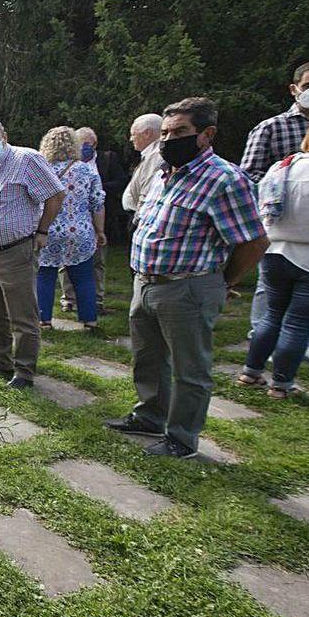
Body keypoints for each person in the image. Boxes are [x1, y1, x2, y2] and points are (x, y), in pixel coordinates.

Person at [105, 97, 269, 459]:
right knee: (148, 357)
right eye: (164, 132)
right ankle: (149, 416)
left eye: (180, 132)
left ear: (206, 135)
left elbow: (254, 241)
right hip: (146, 283)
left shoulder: (225, 179)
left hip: (188, 286)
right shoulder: (165, 173)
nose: (168, 139)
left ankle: (182, 438)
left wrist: (222, 282)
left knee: (190, 367)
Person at [0, 119, 66, 390]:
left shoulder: (26, 159)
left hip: (15, 250)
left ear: (4, 137)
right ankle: (1, 362)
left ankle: (24, 371)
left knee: (22, 315)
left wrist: (42, 231)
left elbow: (55, 195)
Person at [237, 122, 309, 399]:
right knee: (297, 322)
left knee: (272, 314)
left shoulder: (284, 165)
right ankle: (281, 384)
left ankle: (250, 371)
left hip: (273, 251)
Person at [244, 61, 309, 357]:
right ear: (294, 89)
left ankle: (262, 363)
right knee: (272, 302)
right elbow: (247, 176)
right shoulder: (272, 127)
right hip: (278, 233)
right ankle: (265, 354)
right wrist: (280, 188)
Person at [35, 127, 106, 331]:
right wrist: (100, 231)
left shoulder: (43, 169)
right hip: (81, 231)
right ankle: (89, 321)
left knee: (45, 275)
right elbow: (97, 203)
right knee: (84, 277)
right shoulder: (87, 170)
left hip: (48, 229)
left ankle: (44, 320)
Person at [62, 127, 126, 312]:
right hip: (71, 219)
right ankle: (69, 299)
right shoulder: (67, 164)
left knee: (97, 262)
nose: (83, 148)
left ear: (95, 144)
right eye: (79, 144)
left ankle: (97, 300)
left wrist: (97, 188)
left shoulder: (107, 159)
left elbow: (121, 180)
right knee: (67, 260)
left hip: (100, 216)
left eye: (86, 144)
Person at [122, 113, 164, 215]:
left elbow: (146, 192)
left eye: (133, 134)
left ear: (147, 133)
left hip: (141, 216)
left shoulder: (155, 155)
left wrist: (139, 219)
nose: (131, 139)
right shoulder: (150, 154)